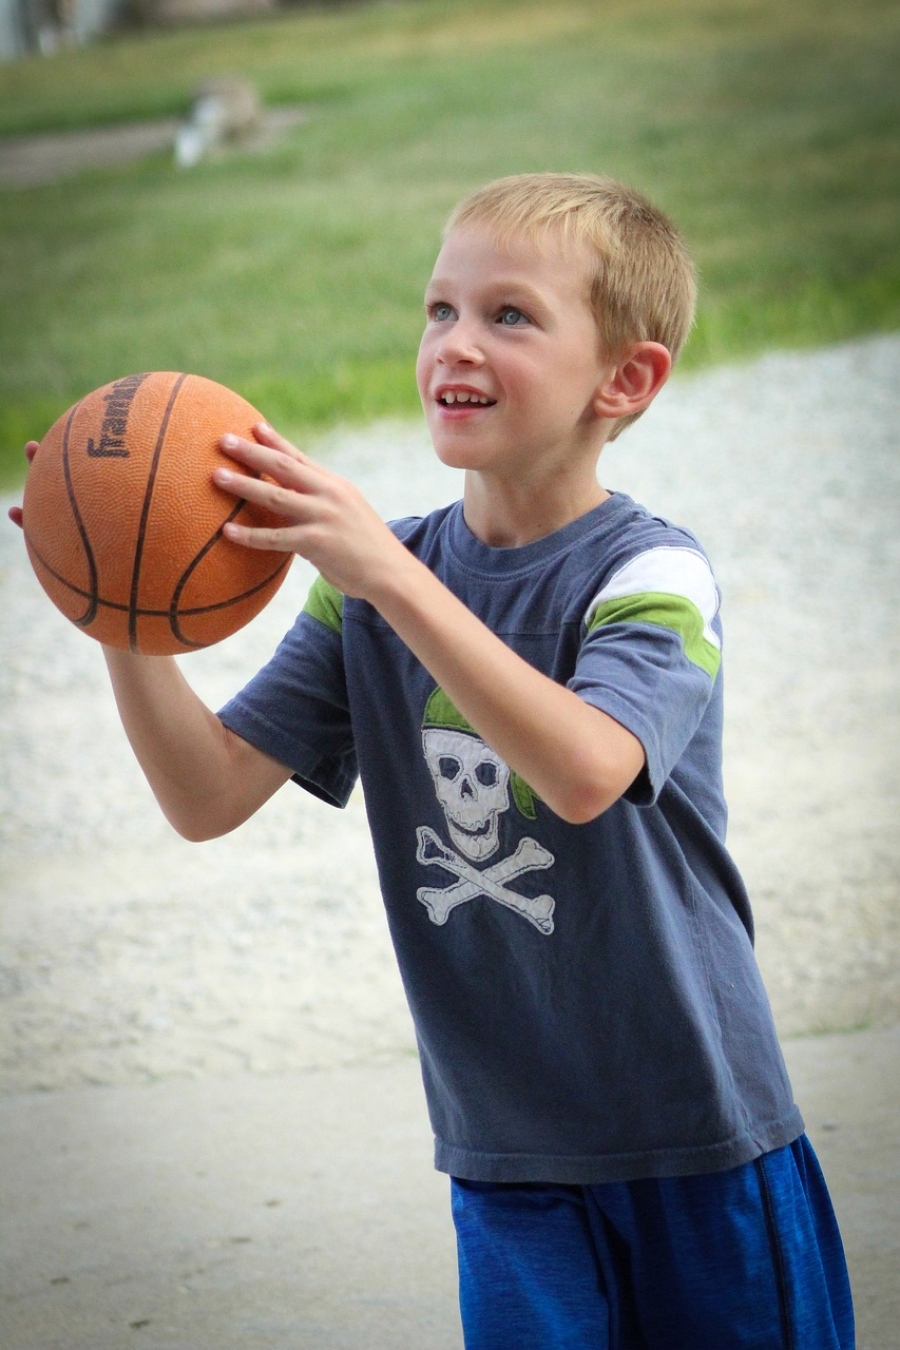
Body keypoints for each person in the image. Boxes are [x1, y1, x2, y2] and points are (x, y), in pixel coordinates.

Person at [11, 172, 854, 1348]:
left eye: (510, 315)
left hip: (695, 1131)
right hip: (504, 1149)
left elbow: (585, 770)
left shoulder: (650, 577)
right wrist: (124, 613)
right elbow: (204, 797)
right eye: (438, 310)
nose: (457, 341)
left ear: (626, 379)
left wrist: (389, 578)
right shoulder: (372, 592)